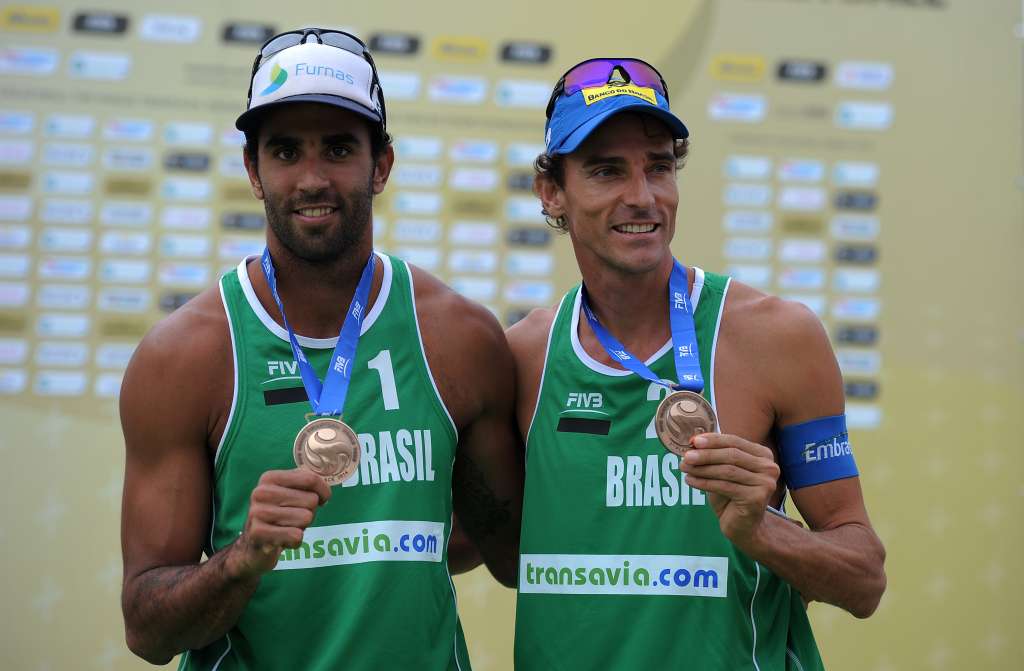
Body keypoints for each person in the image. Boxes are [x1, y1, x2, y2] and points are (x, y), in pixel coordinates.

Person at [119, 28, 522, 670]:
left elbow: (508, 550)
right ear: (253, 170)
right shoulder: (185, 357)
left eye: (338, 148)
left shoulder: (459, 337)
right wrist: (242, 560)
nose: (311, 179)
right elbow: (147, 630)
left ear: (381, 165)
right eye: (285, 151)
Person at [509, 58, 886, 670]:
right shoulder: (525, 354)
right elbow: (486, 546)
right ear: (551, 192)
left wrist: (762, 531)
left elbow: (864, 580)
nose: (642, 197)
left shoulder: (777, 337)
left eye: (658, 167)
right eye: (607, 170)